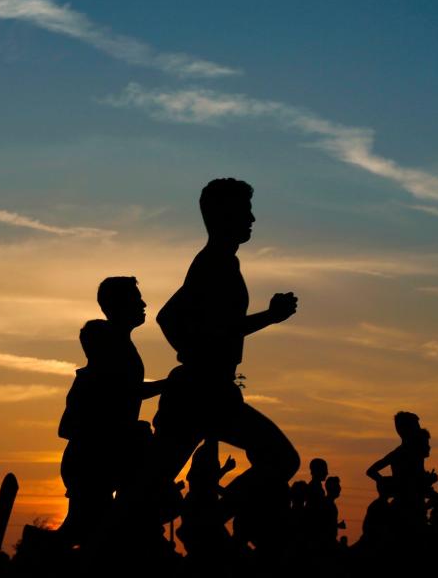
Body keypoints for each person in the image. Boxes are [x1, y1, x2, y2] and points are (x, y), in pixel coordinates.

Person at [152, 178, 300, 546]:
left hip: (203, 390)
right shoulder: (214, 264)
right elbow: (206, 326)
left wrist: (194, 351)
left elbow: (168, 317)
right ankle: (205, 522)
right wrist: (269, 316)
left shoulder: (217, 262)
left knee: (148, 488)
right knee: (281, 459)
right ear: (223, 215)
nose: (252, 218)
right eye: (244, 211)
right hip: (206, 393)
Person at [57, 277, 168, 546]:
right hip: (94, 457)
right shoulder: (112, 347)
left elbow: (127, 389)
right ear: (118, 305)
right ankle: (35, 556)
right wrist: (174, 381)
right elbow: (123, 390)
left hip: (103, 455)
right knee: (86, 530)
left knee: (96, 528)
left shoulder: (121, 345)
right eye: (136, 299)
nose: (143, 304)